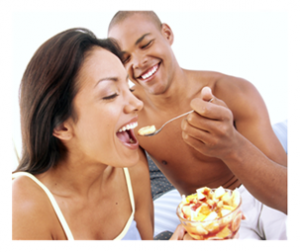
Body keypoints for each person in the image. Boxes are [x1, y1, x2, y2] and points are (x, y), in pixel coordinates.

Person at [107, 11, 288, 239]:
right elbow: (138, 200)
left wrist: (231, 145)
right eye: (125, 58)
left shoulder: (234, 92)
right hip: (207, 215)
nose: (139, 62)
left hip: (263, 198)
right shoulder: (130, 117)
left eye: (146, 44)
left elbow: (288, 194)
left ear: (167, 34)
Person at [12, 28, 190, 240]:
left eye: (129, 87)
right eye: (111, 94)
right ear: (61, 127)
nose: (137, 103)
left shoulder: (133, 169)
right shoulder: (23, 208)